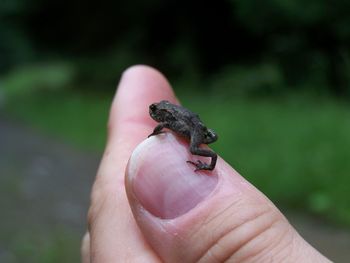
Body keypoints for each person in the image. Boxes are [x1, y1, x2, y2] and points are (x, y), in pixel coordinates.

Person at [81, 65, 331, 262]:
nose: (155, 113)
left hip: (191, 127)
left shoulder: (166, 119)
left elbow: (169, 123)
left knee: (192, 149)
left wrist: (166, 133)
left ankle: (209, 166)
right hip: (187, 122)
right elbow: (165, 123)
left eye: (156, 110)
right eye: (155, 110)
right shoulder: (165, 118)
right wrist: (157, 132)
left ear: (161, 112)